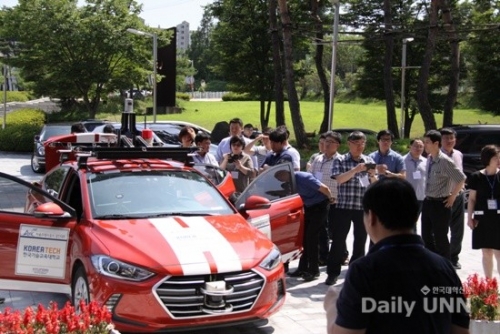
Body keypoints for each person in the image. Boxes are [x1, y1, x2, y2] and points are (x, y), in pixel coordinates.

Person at [325, 178, 470, 334]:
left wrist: (332, 305)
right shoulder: (444, 267)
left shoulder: (364, 271)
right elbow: (461, 330)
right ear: (415, 216)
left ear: (371, 217)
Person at [326, 131, 376, 286]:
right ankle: (332, 273)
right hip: (343, 207)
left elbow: (374, 184)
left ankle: (356, 271)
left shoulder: (369, 160)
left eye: (362, 143)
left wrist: (372, 175)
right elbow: (339, 180)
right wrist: (355, 170)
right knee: (338, 241)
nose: (360, 146)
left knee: (360, 241)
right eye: (356, 143)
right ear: (349, 144)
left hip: (362, 207)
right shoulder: (340, 160)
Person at [276, 170, 335, 282]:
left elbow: (325, 189)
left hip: (320, 206)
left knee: (312, 237)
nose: (280, 179)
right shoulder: (290, 182)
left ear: (287, 172)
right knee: (304, 238)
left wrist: (330, 199)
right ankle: (302, 268)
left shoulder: (303, 177)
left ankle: (314, 270)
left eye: (280, 176)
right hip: (308, 207)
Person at [421, 130, 466, 261]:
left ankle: (445, 265)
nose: (425, 145)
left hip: (441, 203)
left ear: (436, 143)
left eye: (427, 142)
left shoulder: (444, 161)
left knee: (440, 237)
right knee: (426, 236)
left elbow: (461, 178)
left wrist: (452, 196)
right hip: (428, 201)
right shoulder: (429, 158)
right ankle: (431, 263)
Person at [309, 131, 344, 266]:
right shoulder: (317, 159)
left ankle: (341, 255)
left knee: (337, 231)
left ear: (338, 145)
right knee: (322, 230)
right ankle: (323, 256)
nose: (327, 145)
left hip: (335, 200)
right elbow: (311, 176)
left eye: (331, 142)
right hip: (319, 200)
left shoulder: (340, 160)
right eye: (325, 142)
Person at [466, 145, 500, 278]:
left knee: (498, 252)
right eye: (495, 157)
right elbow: (472, 199)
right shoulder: (476, 177)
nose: (498, 160)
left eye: (499, 157)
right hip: (482, 218)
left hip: (498, 218)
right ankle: (488, 284)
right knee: (486, 252)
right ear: (487, 159)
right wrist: (469, 217)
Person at [440, 127, 466, 270]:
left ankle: (454, 257)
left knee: (458, 230)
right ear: (440, 140)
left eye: (451, 138)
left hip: (459, 196)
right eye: (446, 138)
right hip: (443, 197)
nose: (449, 141)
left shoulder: (459, 154)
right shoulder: (435, 156)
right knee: (441, 230)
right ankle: (442, 258)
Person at [403, 138, 427, 214]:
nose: (418, 148)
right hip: (406, 198)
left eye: (421, 146)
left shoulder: (426, 162)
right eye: (416, 146)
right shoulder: (402, 160)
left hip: (422, 197)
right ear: (410, 146)